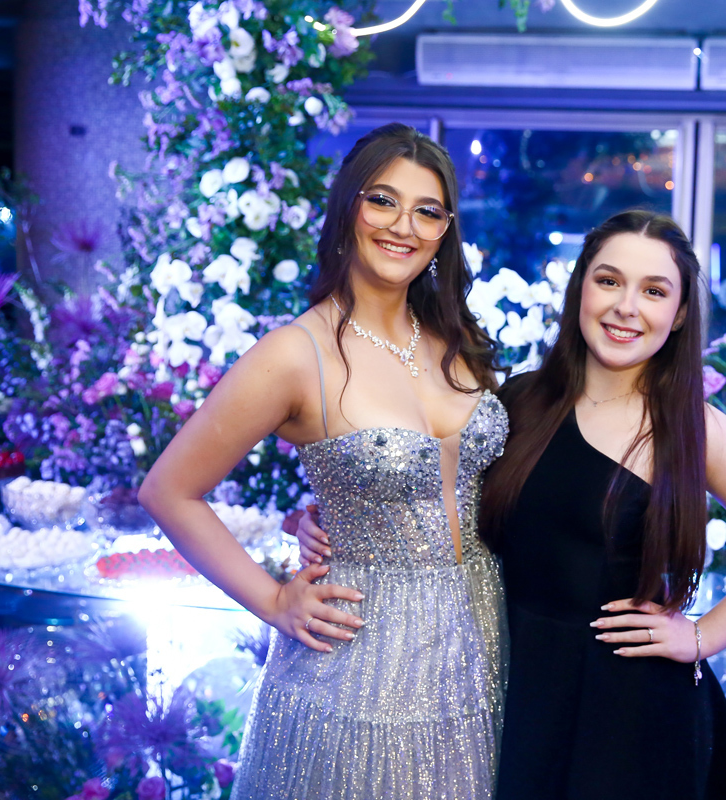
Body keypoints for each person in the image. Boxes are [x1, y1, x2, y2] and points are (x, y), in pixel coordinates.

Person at [297, 209, 726, 798]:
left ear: (679, 314)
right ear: (581, 289)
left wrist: (702, 637)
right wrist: (325, 523)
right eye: (609, 281)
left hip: (627, 714)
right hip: (509, 681)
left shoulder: (688, 426)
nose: (626, 306)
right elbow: (437, 496)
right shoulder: (520, 400)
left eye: (654, 291)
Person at [138, 123, 509, 800]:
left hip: (482, 637)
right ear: (347, 208)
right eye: (383, 201)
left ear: (445, 231)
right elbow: (169, 491)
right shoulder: (294, 353)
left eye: (427, 211)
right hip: (359, 661)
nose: (404, 226)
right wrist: (273, 599)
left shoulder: (457, 341)